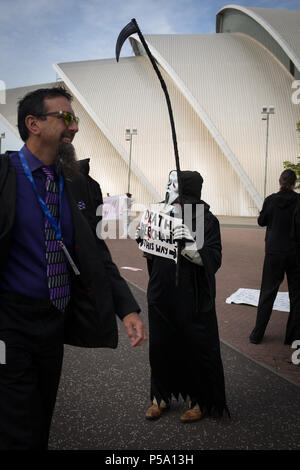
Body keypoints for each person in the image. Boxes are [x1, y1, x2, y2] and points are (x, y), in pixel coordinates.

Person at [0, 86, 146, 450]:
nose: (74, 127)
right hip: (9, 321)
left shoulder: (75, 183)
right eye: (65, 118)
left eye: (74, 119)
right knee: (17, 420)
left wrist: (125, 306)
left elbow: (96, 251)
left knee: (42, 412)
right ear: (33, 123)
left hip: (54, 321)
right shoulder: (5, 175)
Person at [136, 170, 229, 422]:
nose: (168, 188)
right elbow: (151, 255)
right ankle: (159, 397)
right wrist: (145, 241)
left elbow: (213, 258)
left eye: (174, 184)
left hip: (190, 296)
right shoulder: (162, 216)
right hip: (161, 292)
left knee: (194, 347)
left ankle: (199, 400)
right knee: (160, 346)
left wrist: (189, 244)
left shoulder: (206, 220)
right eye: (168, 183)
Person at [250, 169, 300, 345]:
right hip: (294, 253)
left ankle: (257, 335)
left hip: (274, 252)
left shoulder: (270, 200)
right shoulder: (298, 200)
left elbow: (261, 221)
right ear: (294, 183)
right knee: (296, 295)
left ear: (280, 181)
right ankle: (293, 337)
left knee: (267, 293)